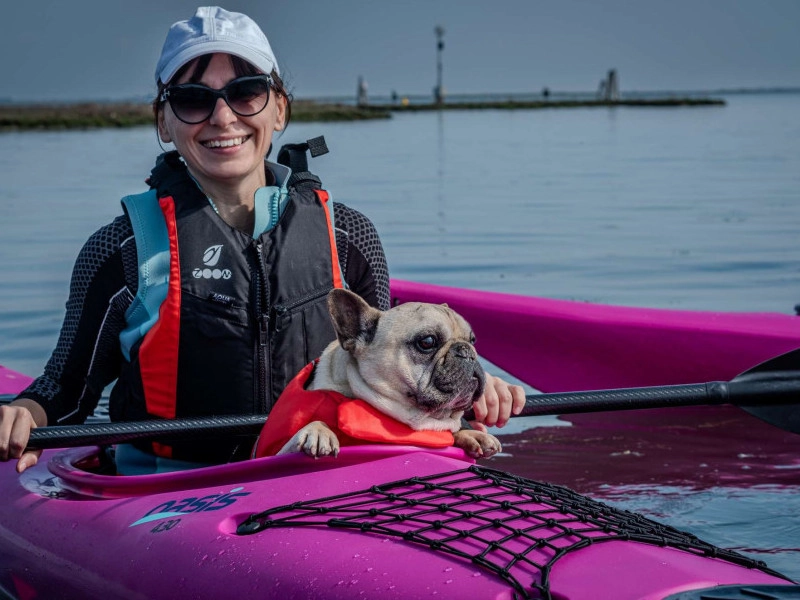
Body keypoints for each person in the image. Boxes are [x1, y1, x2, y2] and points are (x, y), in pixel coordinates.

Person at [0, 6, 524, 475]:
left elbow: (388, 372)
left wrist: (470, 393)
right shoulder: (120, 249)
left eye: (246, 92)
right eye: (192, 99)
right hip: (167, 495)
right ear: (164, 120)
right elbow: (65, 393)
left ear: (279, 109)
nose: (223, 117)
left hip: (322, 477)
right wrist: (24, 415)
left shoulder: (350, 236)